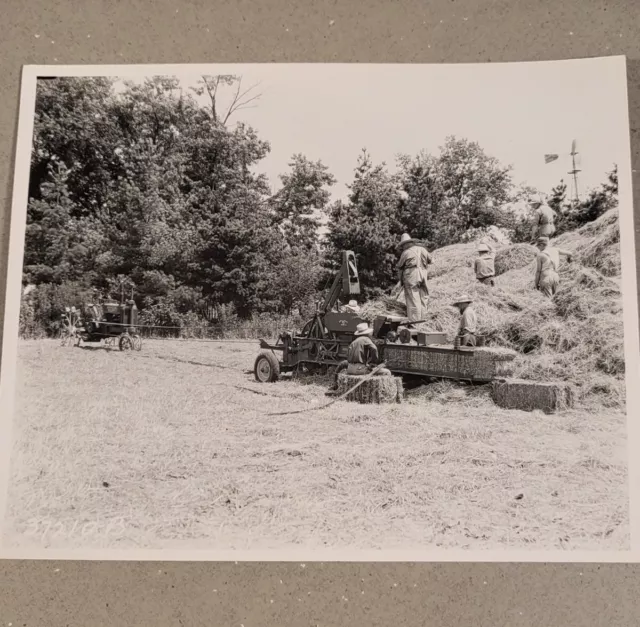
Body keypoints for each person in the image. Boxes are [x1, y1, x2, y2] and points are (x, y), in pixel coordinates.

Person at [396, 232, 432, 323]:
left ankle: (415, 322)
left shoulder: (405, 252)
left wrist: (400, 281)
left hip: (411, 274)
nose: (403, 248)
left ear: (406, 244)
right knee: (424, 296)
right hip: (423, 273)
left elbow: (400, 267)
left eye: (403, 245)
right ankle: (425, 320)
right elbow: (431, 260)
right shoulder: (423, 249)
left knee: (413, 298)